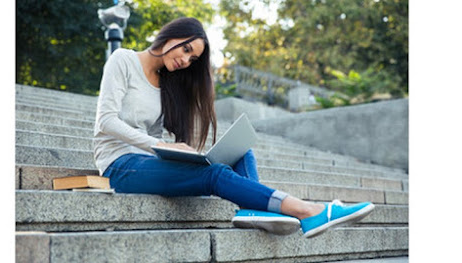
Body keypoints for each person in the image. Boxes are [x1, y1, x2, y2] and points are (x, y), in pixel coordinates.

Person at [93, 17, 374, 238]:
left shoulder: (166, 83)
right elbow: (106, 121)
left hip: (147, 162)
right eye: (186, 49)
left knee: (241, 153)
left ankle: (253, 211)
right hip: (119, 166)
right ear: (172, 35)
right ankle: (309, 210)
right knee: (215, 174)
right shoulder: (124, 60)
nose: (185, 60)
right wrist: (162, 146)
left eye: (192, 59)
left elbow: (153, 138)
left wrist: (180, 155)